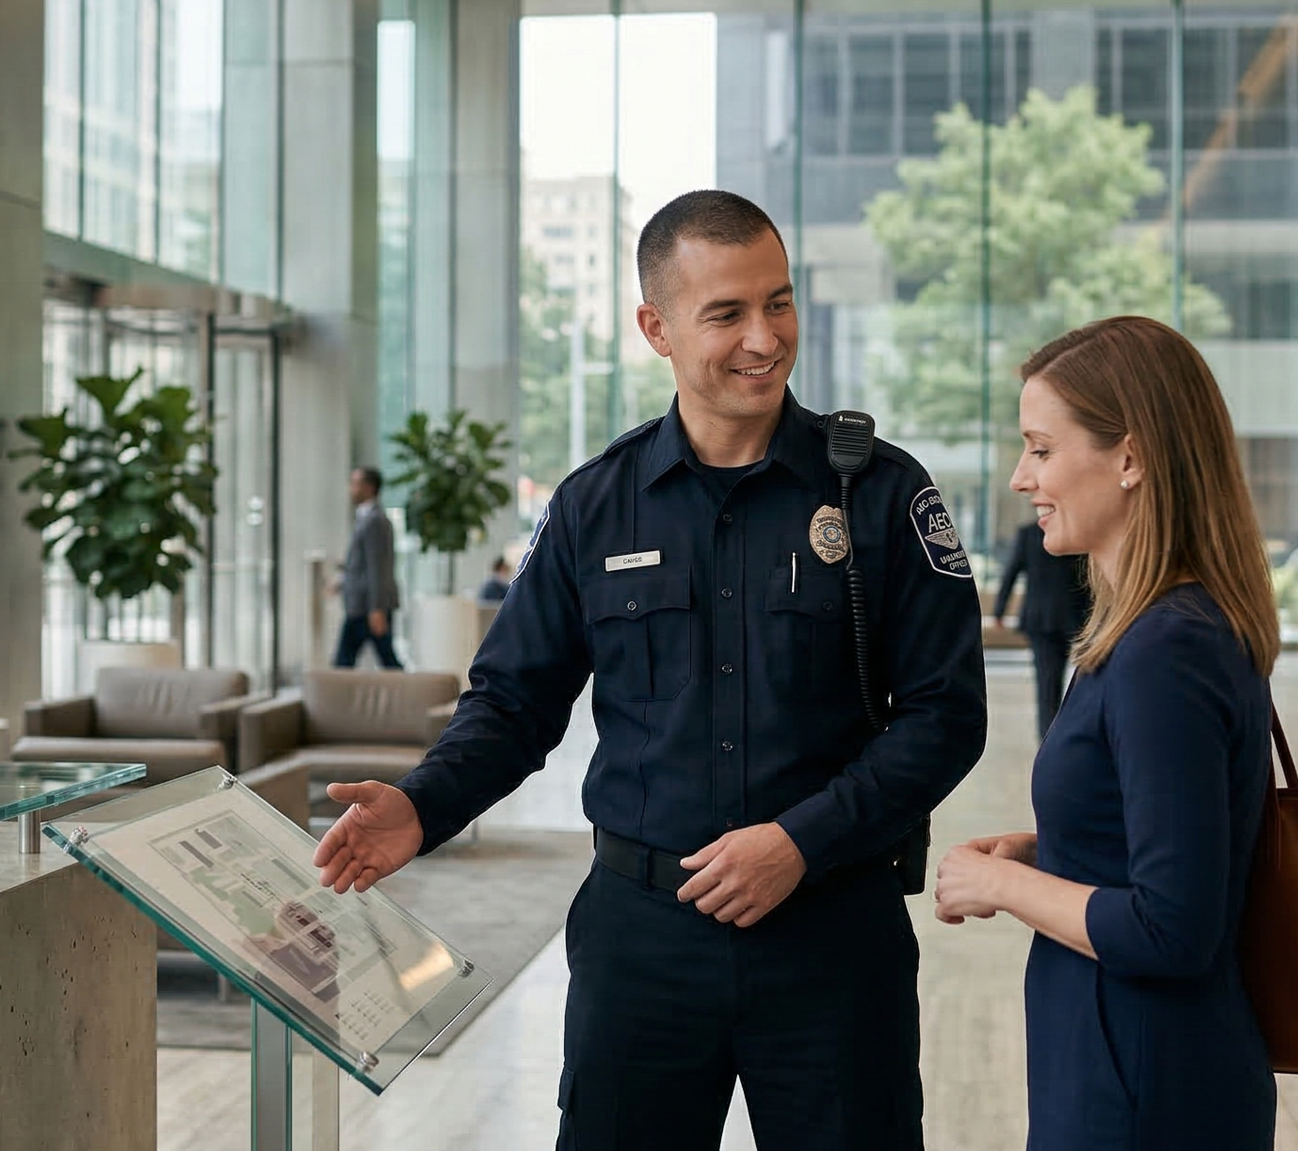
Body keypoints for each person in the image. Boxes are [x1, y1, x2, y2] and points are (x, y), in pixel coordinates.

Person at [311, 189, 987, 1150]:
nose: (765, 337)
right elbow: (515, 699)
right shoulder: (596, 506)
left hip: (833, 935)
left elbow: (946, 714)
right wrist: (425, 805)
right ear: (655, 327)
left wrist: (799, 841)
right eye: (727, 314)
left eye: (779, 302)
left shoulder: (879, 492)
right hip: (643, 944)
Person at [931, 316, 1278, 1151]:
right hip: (1131, 1061)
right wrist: (1047, 853)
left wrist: (1001, 888)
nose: (1021, 477)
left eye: (1041, 450)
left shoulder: (1167, 646)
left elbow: (1173, 927)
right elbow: (1162, 845)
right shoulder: (1152, 628)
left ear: (1130, 457)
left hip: (1142, 1083)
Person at [994, 516, 1091, 737]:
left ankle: (1048, 738)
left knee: (1047, 682)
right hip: (1074, 616)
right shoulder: (1075, 530)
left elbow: (1011, 573)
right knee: (1081, 682)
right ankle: (1061, 737)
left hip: (1041, 619)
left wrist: (1000, 610)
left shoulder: (1028, 533)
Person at [332, 466, 403, 669]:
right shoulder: (365, 518)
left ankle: (412, 695)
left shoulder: (375, 521)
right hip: (362, 605)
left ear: (370, 488)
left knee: (345, 662)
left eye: (356, 484)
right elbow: (362, 565)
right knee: (383, 659)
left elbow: (377, 567)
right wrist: (342, 581)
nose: (351, 489)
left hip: (367, 607)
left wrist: (377, 608)